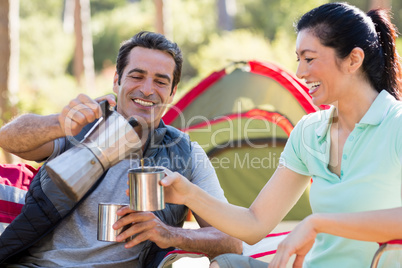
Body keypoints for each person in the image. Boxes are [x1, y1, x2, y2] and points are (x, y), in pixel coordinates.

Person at [161, 3, 402, 268]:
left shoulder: (396, 124)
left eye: (309, 59)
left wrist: (316, 223)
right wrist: (188, 194)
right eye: (298, 60)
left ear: (353, 60)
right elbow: (255, 223)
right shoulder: (309, 132)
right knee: (225, 264)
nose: (300, 72)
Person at [0, 31, 242, 267]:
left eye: (160, 81)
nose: (147, 90)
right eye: (137, 76)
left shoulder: (185, 154)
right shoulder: (82, 127)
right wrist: (58, 123)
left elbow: (232, 241)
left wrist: (170, 234)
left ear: (172, 91)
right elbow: (7, 139)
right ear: (117, 80)